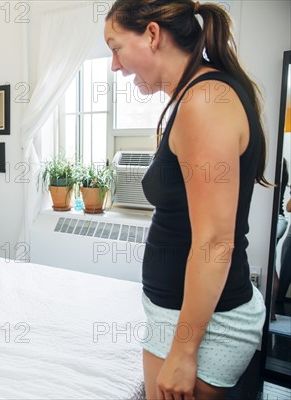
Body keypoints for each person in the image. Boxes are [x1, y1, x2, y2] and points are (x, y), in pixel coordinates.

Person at [104, 1, 268, 398]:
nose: (115, 66)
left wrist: (183, 350)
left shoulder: (205, 102)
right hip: (178, 314)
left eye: (116, 47)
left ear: (153, 35)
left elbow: (215, 241)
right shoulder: (199, 95)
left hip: (201, 327)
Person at [272, 158, 288, 319]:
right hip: (280, 220)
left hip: (275, 220)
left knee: (270, 269)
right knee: (272, 267)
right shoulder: (284, 174)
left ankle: (271, 312)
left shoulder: (272, 176)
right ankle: (271, 313)